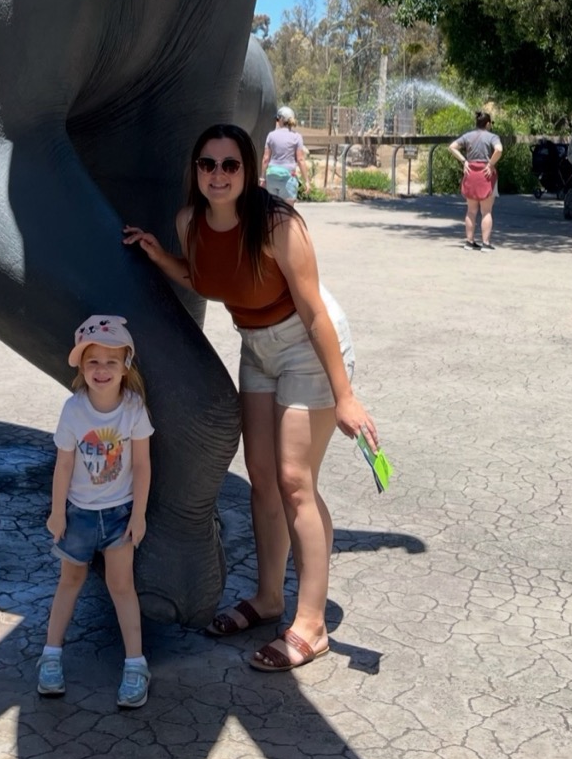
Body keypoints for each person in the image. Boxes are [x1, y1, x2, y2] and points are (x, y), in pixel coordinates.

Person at [123, 123, 379, 673]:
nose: (218, 175)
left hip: (306, 345)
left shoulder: (278, 224)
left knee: (293, 481)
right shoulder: (188, 222)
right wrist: (158, 257)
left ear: (249, 171)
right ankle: (268, 598)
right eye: (208, 165)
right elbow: (205, 276)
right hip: (256, 347)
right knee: (260, 474)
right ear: (196, 173)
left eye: (230, 165)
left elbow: (312, 309)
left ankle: (311, 623)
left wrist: (346, 396)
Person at [37, 315, 153, 709]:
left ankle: (135, 664)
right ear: (80, 367)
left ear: (126, 366)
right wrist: (57, 513)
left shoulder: (134, 409)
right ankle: (51, 656)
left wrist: (139, 514)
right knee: (70, 581)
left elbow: (142, 465)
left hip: (119, 514)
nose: (101, 370)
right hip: (80, 514)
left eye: (111, 362)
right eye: (93, 362)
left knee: (122, 586)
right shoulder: (74, 410)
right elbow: (64, 465)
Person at [449, 110, 503, 249]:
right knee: (486, 211)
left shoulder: (468, 136)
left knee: (471, 211)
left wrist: (464, 161)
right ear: (488, 124)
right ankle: (486, 243)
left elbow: (452, 147)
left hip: (471, 173)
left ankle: (469, 242)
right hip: (486, 174)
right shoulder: (492, 137)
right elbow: (499, 150)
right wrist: (491, 164)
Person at [261, 104, 309, 202]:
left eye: (277, 119)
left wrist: (262, 178)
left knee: (272, 209)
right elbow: (300, 160)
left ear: (281, 120)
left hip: (272, 175)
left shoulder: (271, 135)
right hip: (288, 177)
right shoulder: (296, 137)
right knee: (288, 211)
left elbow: (266, 159)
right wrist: (306, 181)